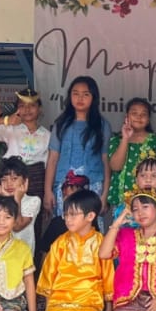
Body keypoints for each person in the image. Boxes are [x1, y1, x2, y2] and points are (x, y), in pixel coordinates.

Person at [37, 186, 112, 311]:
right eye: (66, 215)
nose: (68, 219)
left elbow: (108, 275)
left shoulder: (100, 243)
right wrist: (49, 308)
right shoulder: (60, 242)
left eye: (73, 214)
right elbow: (48, 274)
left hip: (88, 299)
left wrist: (108, 309)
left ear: (90, 216)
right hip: (60, 299)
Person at [44, 76, 111, 216]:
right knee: (64, 224)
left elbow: (105, 160)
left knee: (90, 225)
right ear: (70, 96)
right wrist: (47, 191)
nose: (80, 98)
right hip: (64, 187)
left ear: (93, 98)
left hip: (93, 187)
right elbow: (53, 159)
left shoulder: (102, 125)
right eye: (75, 94)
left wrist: (104, 194)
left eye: (86, 94)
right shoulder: (61, 124)